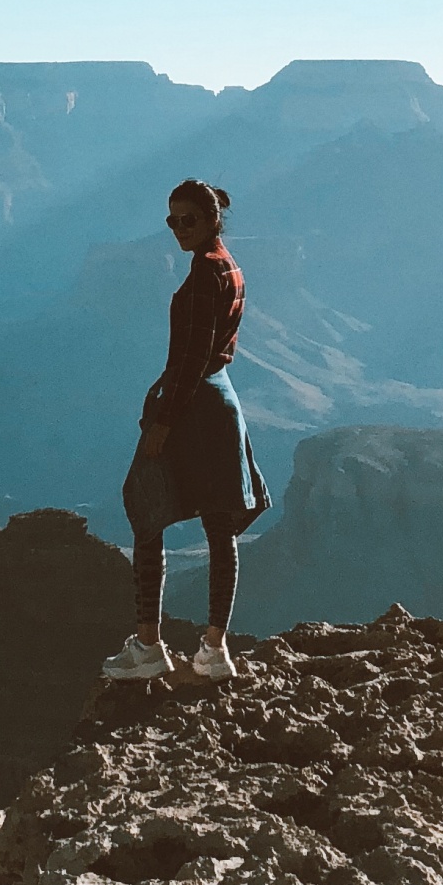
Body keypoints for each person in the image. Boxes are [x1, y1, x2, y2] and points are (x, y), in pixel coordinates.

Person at [102, 177, 270, 682]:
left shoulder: (203, 277)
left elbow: (192, 358)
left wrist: (163, 421)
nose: (179, 229)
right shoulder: (230, 267)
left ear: (214, 218)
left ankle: (149, 646)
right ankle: (214, 651)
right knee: (219, 527)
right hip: (222, 402)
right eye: (172, 220)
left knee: (146, 509)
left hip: (194, 407)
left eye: (189, 219)